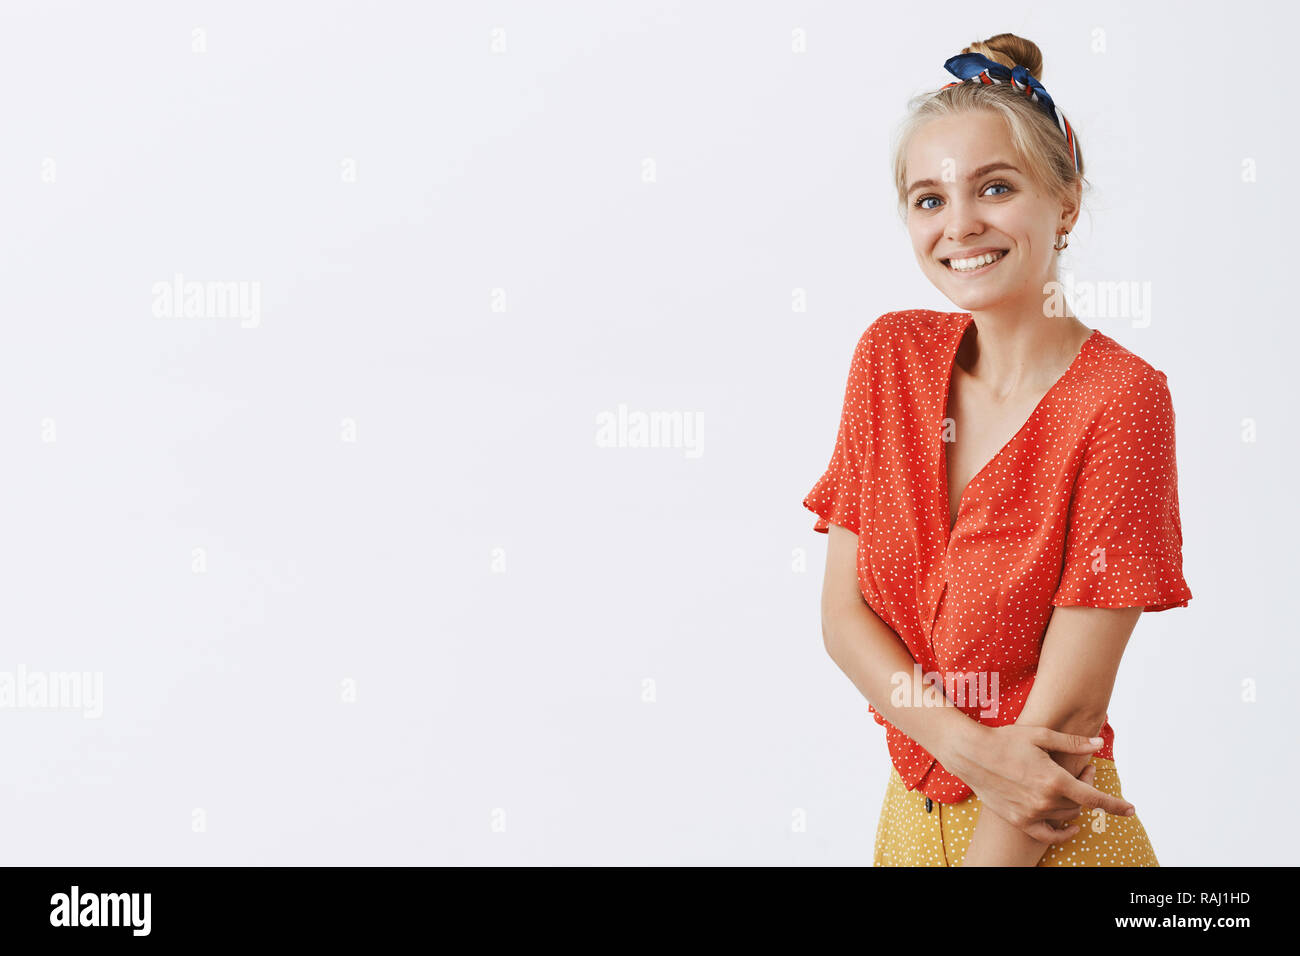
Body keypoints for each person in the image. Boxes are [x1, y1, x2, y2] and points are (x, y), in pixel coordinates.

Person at [802, 33, 1192, 866]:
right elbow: (845, 619)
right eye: (929, 198)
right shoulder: (890, 359)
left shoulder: (1121, 401)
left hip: (1046, 840)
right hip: (908, 821)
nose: (961, 224)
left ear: (1067, 203)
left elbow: (1069, 719)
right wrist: (968, 748)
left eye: (996, 187)